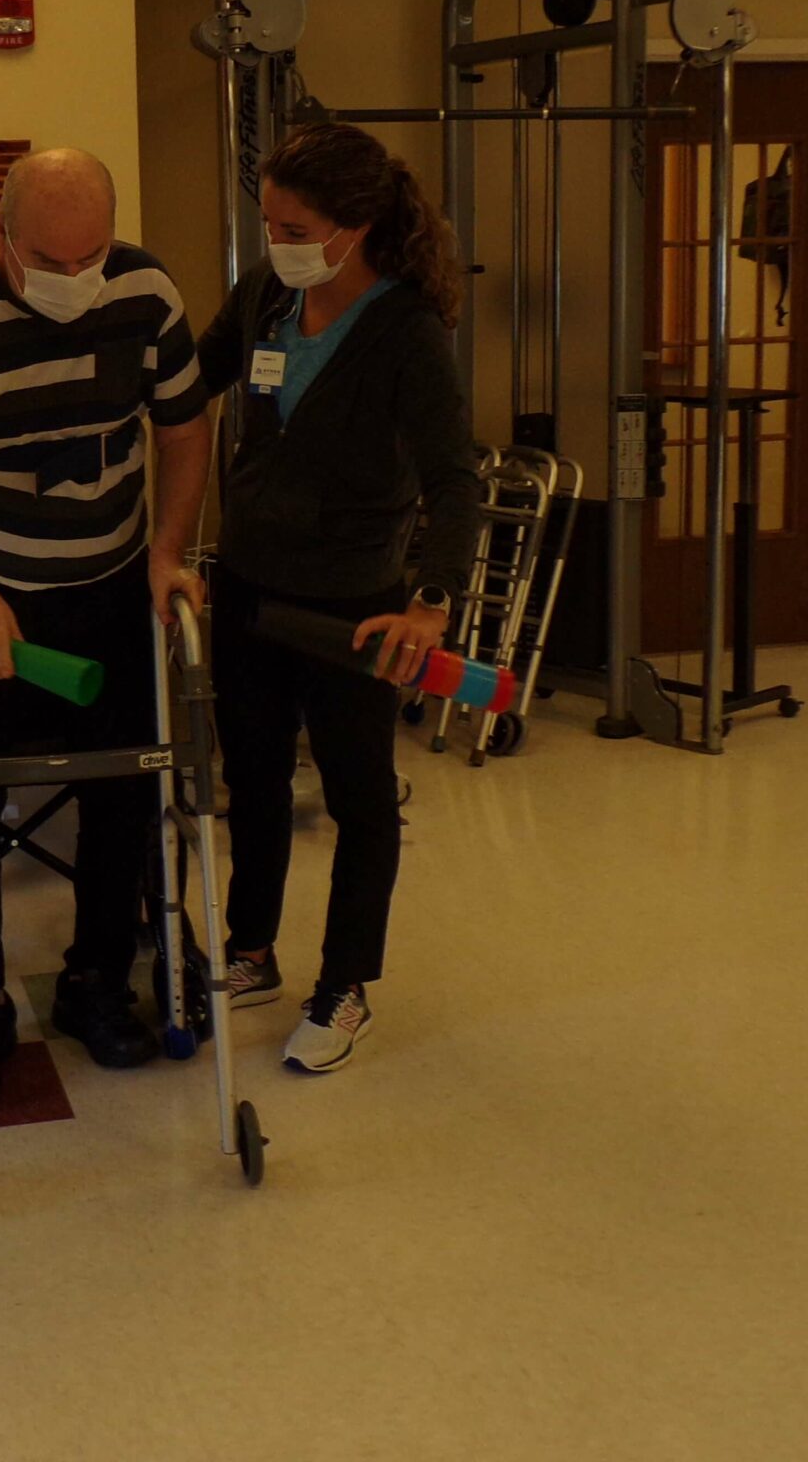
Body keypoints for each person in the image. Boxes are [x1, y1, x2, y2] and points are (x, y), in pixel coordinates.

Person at [0, 148, 212, 1107]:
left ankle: (96, 981)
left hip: (107, 581)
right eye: (49, 262)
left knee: (121, 788)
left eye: (90, 258)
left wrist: (167, 552)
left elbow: (185, 432)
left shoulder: (146, 291)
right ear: (3, 235)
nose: (74, 278)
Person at [194, 123, 481, 1073]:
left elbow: (454, 482)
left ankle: (346, 985)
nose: (276, 241)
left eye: (295, 228)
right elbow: (190, 380)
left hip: (354, 607)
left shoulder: (406, 333)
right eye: (269, 224)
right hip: (247, 583)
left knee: (361, 800)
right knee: (254, 779)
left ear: (353, 229)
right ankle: (251, 950)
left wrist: (431, 604)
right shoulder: (269, 295)